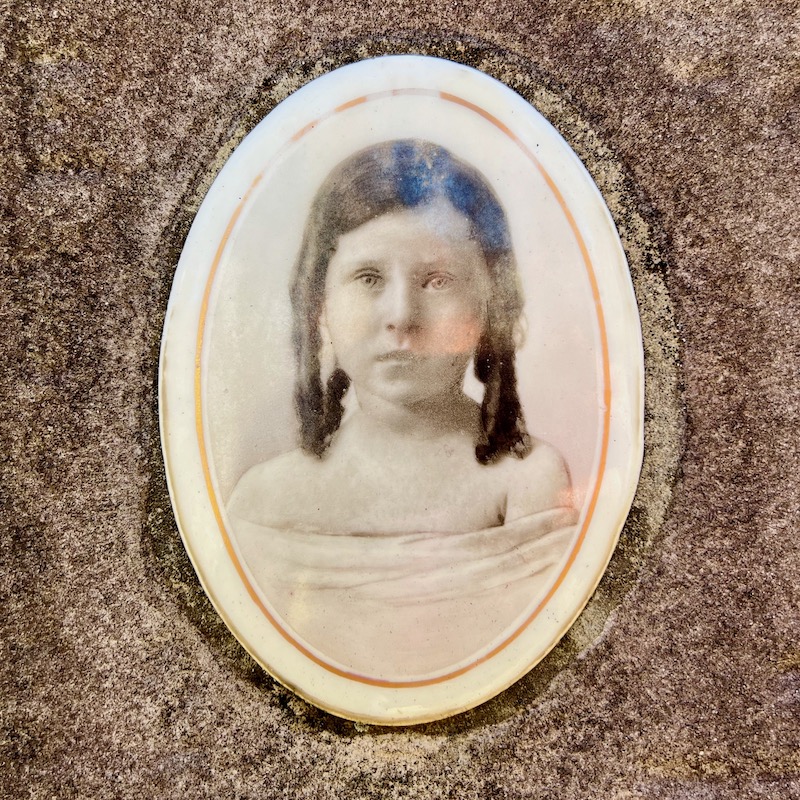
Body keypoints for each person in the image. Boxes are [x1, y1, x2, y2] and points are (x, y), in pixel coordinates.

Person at [227, 140, 577, 678]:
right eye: (368, 279)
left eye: (437, 281)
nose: (401, 315)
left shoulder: (525, 485)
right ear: (320, 306)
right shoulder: (266, 502)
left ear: (490, 306)